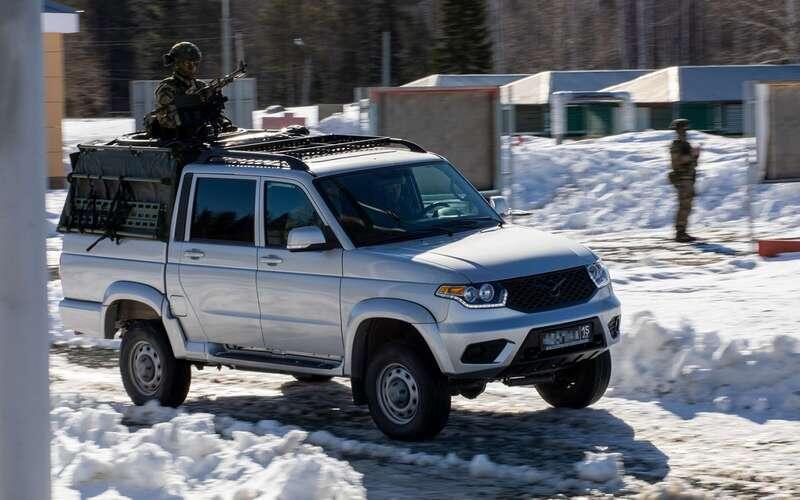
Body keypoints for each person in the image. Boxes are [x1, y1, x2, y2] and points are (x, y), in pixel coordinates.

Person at [145, 41, 233, 140]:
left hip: (203, 139)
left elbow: (216, 116)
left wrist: (216, 114)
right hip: (177, 144)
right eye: (187, 63)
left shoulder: (201, 85)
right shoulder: (167, 88)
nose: (192, 67)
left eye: (195, 63)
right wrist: (200, 115)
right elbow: (167, 121)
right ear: (177, 64)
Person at [669, 118, 700, 242]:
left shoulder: (685, 144)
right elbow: (678, 161)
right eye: (683, 129)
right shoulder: (677, 145)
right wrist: (692, 155)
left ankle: (683, 231)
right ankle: (680, 232)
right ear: (678, 130)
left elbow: (692, 163)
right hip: (682, 178)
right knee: (684, 206)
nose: (685, 132)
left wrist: (695, 156)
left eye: (686, 130)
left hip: (688, 178)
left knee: (687, 206)